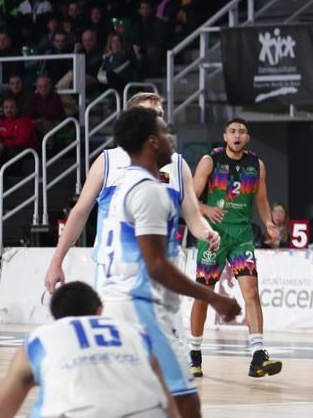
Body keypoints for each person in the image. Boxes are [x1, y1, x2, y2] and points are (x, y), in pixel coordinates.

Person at [97, 107, 241, 418]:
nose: (170, 138)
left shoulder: (128, 184)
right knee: (186, 400)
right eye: (163, 132)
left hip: (118, 305)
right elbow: (157, 266)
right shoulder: (149, 191)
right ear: (151, 142)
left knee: (141, 404)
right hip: (139, 308)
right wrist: (214, 297)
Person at [43, 92, 220, 296]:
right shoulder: (107, 161)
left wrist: (208, 233)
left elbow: (194, 218)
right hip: (114, 276)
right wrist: (56, 263)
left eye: (160, 114)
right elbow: (79, 213)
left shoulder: (178, 165)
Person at [0, 281, 179, 418]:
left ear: (57, 317)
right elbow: (170, 406)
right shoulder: (136, 334)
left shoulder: (41, 338)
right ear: (99, 310)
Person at [188, 117, 282, 379]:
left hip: (241, 234)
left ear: (247, 138)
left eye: (241, 131)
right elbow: (190, 199)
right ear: (225, 136)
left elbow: (261, 200)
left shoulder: (256, 165)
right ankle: (194, 352)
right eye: (232, 131)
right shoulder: (210, 161)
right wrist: (206, 209)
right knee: (204, 294)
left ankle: (258, 355)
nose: (237, 135)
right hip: (213, 235)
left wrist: (267, 223)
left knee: (251, 292)